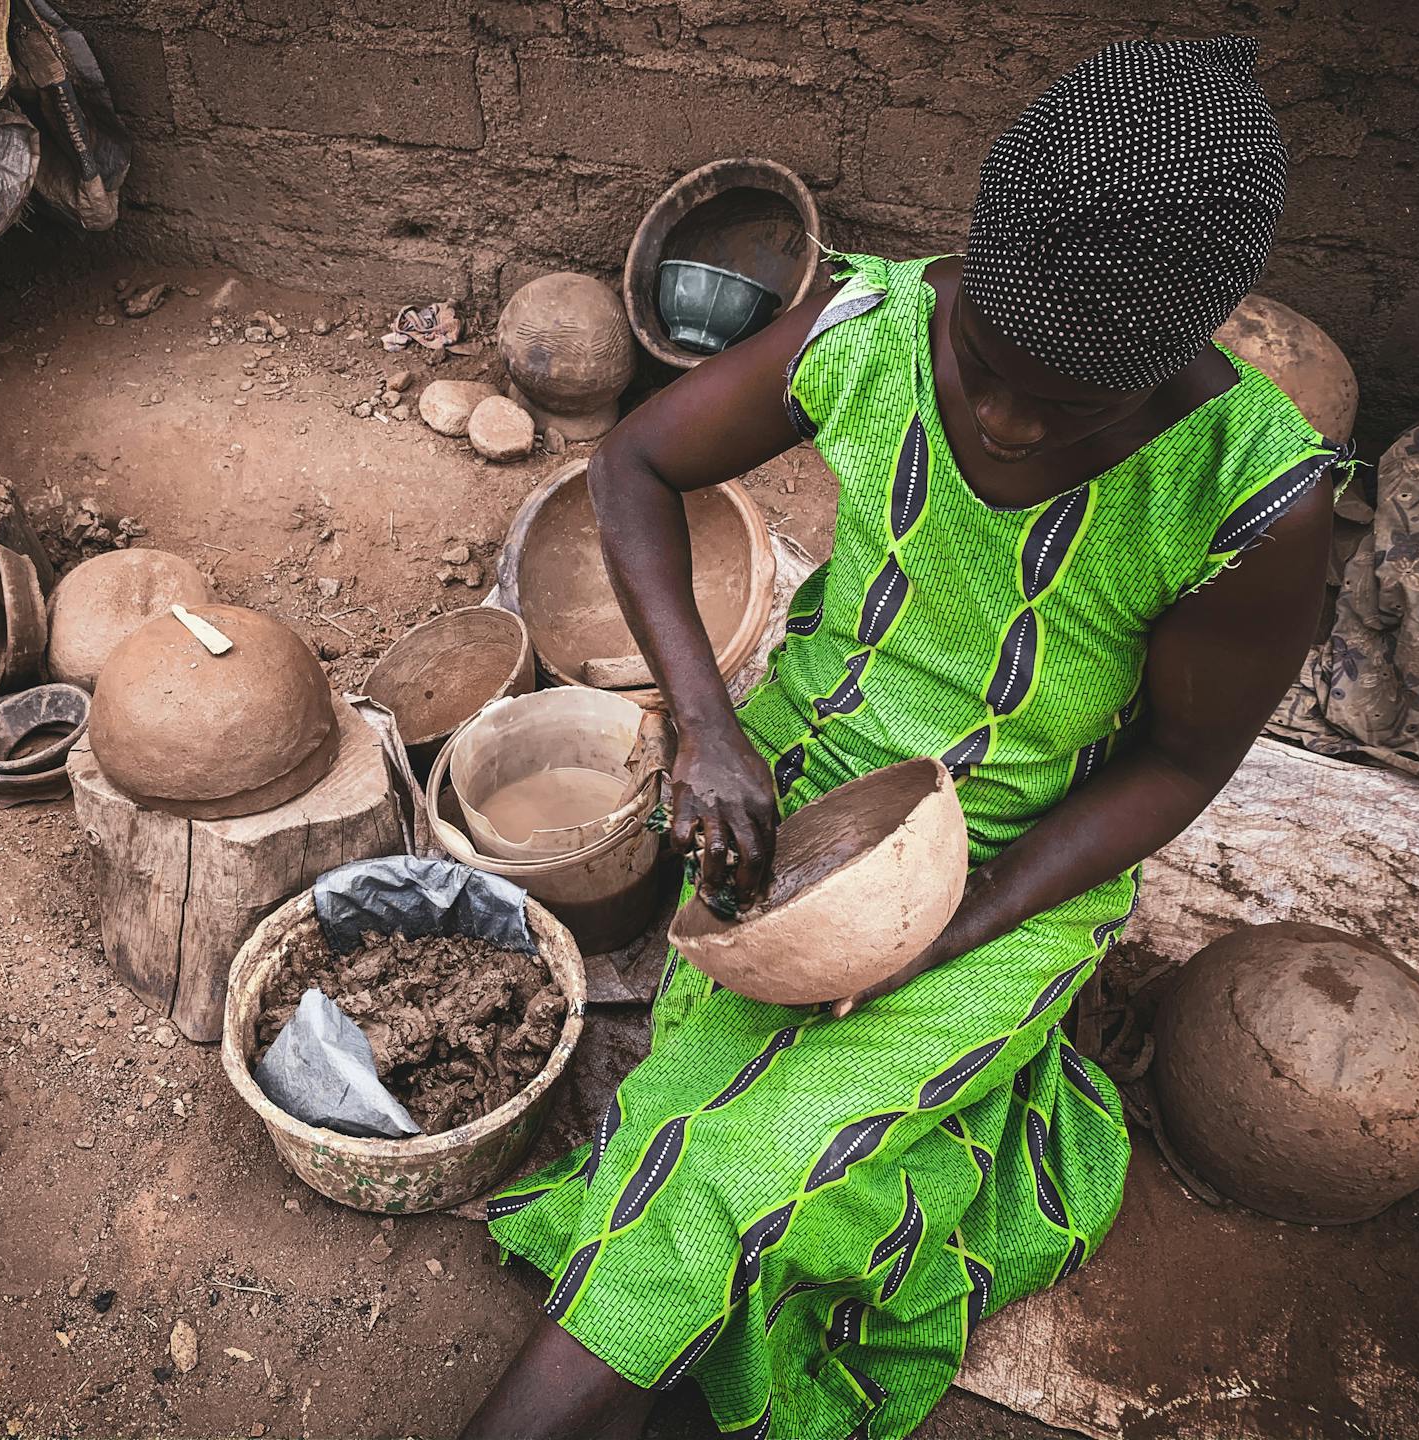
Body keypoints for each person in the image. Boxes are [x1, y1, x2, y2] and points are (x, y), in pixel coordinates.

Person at [464, 36, 1352, 1440]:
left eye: (1063, 405)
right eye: (983, 360)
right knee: (728, 1112)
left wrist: (954, 922)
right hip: (796, 789)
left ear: (1179, 355)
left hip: (1017, 867)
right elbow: (632, 464)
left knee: (744, 1167)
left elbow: (1176, 768)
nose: (996, 419)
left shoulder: (1249, 507)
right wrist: (706, 725)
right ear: (967, 281)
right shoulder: (870, 324)